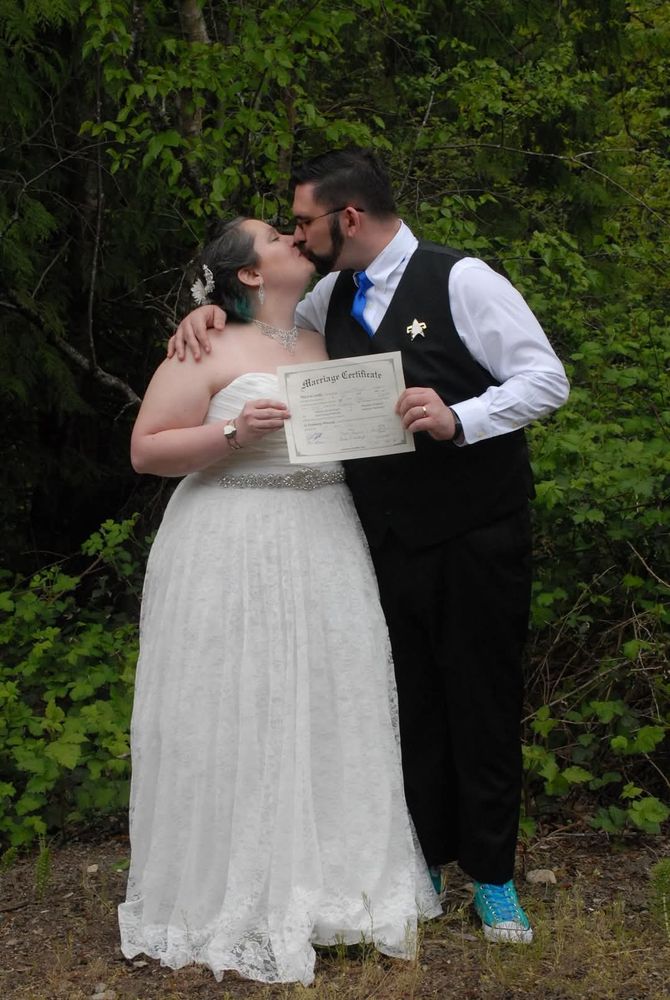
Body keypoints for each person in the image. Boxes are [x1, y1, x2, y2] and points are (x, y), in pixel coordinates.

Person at [170, 149, 570, 944]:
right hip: (379, 536)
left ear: (347, 217)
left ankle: (493, 878)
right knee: (405, 703)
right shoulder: (329, 297)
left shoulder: (462, 280)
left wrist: (461, 417)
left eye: (303, 222)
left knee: (480, 701)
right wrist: (205, 314)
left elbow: (545, 379)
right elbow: (267, 333)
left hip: (476, 530)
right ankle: (422, 860)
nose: (297, 235)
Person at [118, 216, 440, 987]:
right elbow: (146, 449)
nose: (296, 239)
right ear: (249, 274)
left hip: (325, 533)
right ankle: (234, 892)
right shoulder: (206, 345)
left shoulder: (329, 331)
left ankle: (338, 892)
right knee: (239, 702)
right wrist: (232, 431)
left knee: (332, 699)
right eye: (274, 236)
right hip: (232, 536)